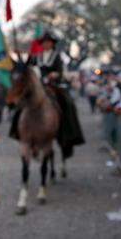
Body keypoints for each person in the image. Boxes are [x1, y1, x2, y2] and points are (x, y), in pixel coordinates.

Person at [23, 31, 85, 159]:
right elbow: (27, 68)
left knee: (68, 102)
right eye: (44, 42)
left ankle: (68, 131)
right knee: (22, 101)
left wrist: (55, 75)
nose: (46, 44)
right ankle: (19, 129)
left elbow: (60, 72)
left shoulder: (57, 57)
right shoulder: (35, 56)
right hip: (37, 85)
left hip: (52, 85)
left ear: (52, 44)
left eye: (48, 42)